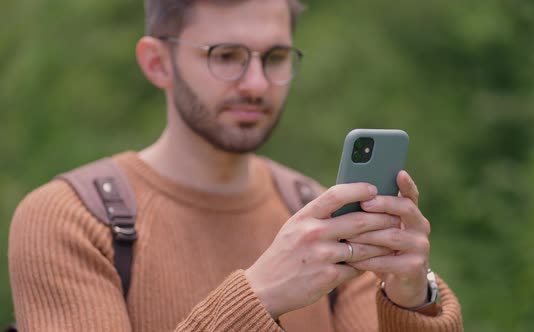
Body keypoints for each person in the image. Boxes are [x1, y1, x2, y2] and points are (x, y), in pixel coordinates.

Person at [8, 0, 463, 331]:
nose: (257, 83)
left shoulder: (318, 214)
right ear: (156, 62)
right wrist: (259, 296)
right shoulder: (70, 219)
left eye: (276, 57)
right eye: (226, 56)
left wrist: (411, 300)